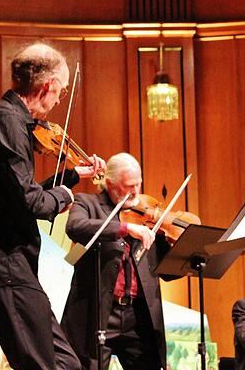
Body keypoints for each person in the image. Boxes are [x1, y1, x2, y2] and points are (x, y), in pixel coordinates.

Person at [0, 42, 104, 369]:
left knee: (66, 364)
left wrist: (72, 176)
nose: (57, 101)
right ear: (48, 85)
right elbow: (31, 202)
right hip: (4, 266)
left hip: (14, 267)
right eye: (60, 92)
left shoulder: (8, 120)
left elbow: (21, 194)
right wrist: (68, 196)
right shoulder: (6, 122)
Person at [61, 152, 173, 370]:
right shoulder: (87, 203)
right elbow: (75, 227)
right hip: (98, 312)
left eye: (138, 185)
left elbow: (167, 271)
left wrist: (178, 248)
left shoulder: (147, 214)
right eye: (129, 186)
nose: (135, 192)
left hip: (138, 316)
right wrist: (125, 228)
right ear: (110, 184)